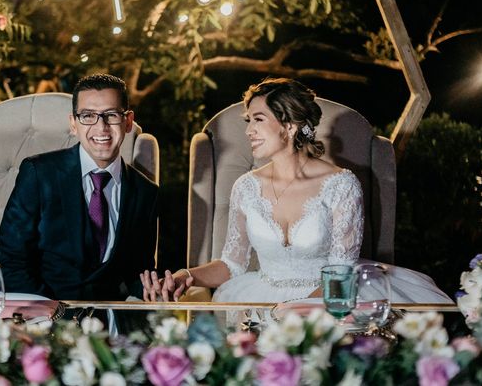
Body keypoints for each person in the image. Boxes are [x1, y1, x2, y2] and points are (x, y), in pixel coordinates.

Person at [142, 77, 451, 304]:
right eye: (248, 120)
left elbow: (341, 276)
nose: (248, 130)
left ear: (289, 126)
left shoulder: (342, 185)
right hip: (261, 298)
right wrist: (188, 275)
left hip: (330, 303)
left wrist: (294, 313)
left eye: (258, 120)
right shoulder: (246, 187)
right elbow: (231, 265)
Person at [0, 73, 158, 300]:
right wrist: (49, 320)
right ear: (73, 123)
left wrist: (156, 290)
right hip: (39, 317)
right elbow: (12, 263)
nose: (101, 127)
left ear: (128, 121)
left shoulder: (146, 192)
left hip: (107, 324)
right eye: (88, 116)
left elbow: (138, 275)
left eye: (111, 115)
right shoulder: (38, 173)